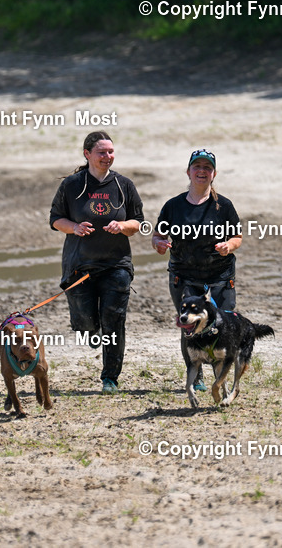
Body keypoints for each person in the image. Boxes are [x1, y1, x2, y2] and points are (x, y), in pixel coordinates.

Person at [50, 131, 144, 394]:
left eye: (111, 152)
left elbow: (138, 222)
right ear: (87, 154)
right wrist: (75, 227)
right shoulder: (72, 185)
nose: (107, 157)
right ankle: (90, 331)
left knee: (114, 321)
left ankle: (110, 378)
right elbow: (56, 219)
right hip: (79, 265)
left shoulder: (124, 185)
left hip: (116, 265)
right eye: (102, 152)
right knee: (86, 323)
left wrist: (122, 225)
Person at [151, 149, 243, 392]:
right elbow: (158, 235)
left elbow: (237, 237)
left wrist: (228, 245)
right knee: (190, 325)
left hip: (220, 277)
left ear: (214, 173)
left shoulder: (223, 206)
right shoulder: (173, 206)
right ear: (188, 171)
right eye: (197, 166)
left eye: (207, 167)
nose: (202, 171)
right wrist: (159, 244)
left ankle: (219, 377)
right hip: (185, 276)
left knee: (222, 324)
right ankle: (196, 376)